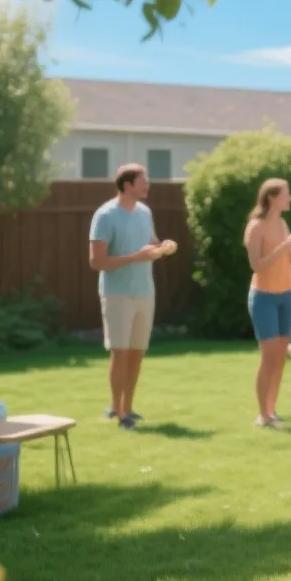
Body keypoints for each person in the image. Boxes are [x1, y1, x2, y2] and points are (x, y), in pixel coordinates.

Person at [88, 164, 165, 430]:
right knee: (120, 353)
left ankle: (129, 408)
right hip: (117, 294)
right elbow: (97, 262)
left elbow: (151, 243)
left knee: (137, 353)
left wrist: (160, 248)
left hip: (145, 292)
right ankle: (118, 412)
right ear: (128, 185)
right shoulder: (105, 215)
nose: (148, 185)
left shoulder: (145, 213)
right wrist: (136, 257)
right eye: (144, 181)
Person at [243, 178, 291, 427]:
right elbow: (256, 265)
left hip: (287, 293)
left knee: (280, 356)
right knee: (269, 357)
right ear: (272, 197)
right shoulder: (256, 226)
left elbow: (288, 258)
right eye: (287, 194)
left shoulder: (283, 223)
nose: (290, 198)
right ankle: (262, 415)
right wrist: (282, 246)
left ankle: (272, 411)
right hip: (264, 296)